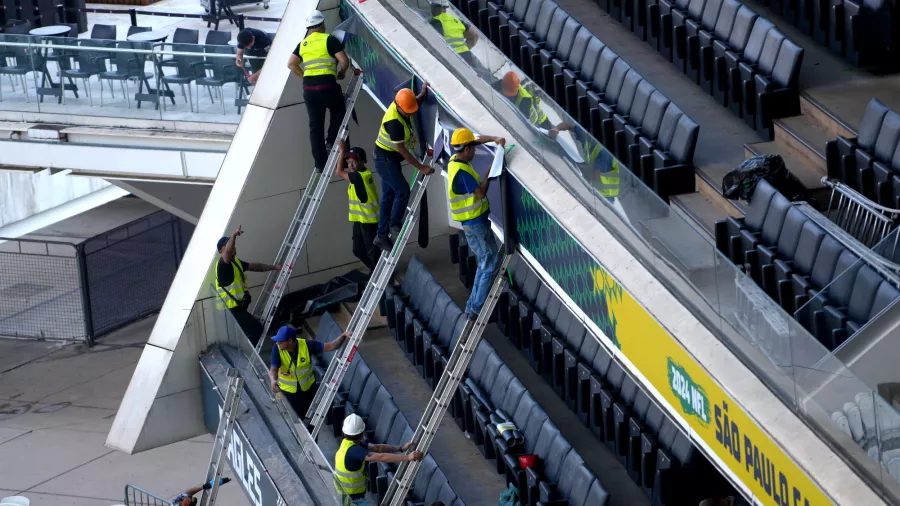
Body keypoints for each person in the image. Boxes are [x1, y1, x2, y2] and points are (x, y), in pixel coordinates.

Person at [446, 127, 505, 318]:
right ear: (465, 149)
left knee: (484, 261)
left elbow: (477, 139)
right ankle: (477, 308)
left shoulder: (455, 159)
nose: (475, 151)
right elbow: (480, 193)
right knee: (491, 261)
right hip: (475, 223)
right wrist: (488, 174)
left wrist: (494, 138)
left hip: (470, 223)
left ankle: (472, 305)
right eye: (472, 149)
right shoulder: (461, 172)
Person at [287, 10, 351, 173]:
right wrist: (341, 73)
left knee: (315, 126)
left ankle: (320, 164)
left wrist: (305, 78)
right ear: (322, 24)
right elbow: (344, 61)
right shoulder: (329, 39)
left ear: (309, 27)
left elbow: (291, 64)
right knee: (338, 112)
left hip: (309, 89)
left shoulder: (303, 44)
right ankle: (331, 140)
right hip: (327, 86)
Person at [373, 86, 434, 252]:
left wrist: (422, 94)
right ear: (398, 106)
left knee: (389, 195)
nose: (409, 114)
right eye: (407, 111)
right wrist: (421, 167)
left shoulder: (404, 105)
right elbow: (404, 152)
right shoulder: (394, 122)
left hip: (388, 158)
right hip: (385, 159)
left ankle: (381, 235)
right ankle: (393, 224)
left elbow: (414, 104)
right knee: (403, 191)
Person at [334, 413, 423, 504]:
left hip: (346, 495)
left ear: (345, 433)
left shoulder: (347, 445)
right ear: (361, 434)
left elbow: (377, 448)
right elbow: (381, 457)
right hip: (352, 500)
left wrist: (400, 448)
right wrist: (408, 457)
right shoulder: (355, 451)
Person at [215, 226, 282, 345]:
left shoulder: (236, 262)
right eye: (228, 246)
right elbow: (228, 253)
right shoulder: (222, 265)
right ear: (221, 251)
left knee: (248, 331)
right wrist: (234, 236)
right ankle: (251, 358)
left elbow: (255, 267)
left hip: (236, 307)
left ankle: (247, 353)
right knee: (256, 330)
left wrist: (274, 267)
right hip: (229, 310)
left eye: (232, 245)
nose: (232, 248)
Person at [270, 325, 349, 418]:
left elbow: (331, 346)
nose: (278, 343)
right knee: (288, 417)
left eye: (280, 341)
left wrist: (343, 335)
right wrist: (273, 380)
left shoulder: (307, 345)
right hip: (286, 393)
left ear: (290, 341)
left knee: (308, 419)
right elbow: (273, 370)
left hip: (307, 391)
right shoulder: (277, 349)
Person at [338, 143, 381, 271]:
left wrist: (342, 151)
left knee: (372, 251)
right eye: (348, 161)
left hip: (369, 221)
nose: (350, 165)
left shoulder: (361, 176)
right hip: (359, 220)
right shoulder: (357, 176)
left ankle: (379, 274)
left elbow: (339, 171)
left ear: (363, 162)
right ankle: (375, 271)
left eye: (354, 162)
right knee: (357, 250)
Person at [428, 0, 478, 66]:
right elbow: (475, 35)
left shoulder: (434, 21)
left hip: (451, 57)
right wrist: (463, 49)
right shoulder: (456, 20)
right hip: (466, 55)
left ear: (435, 8)